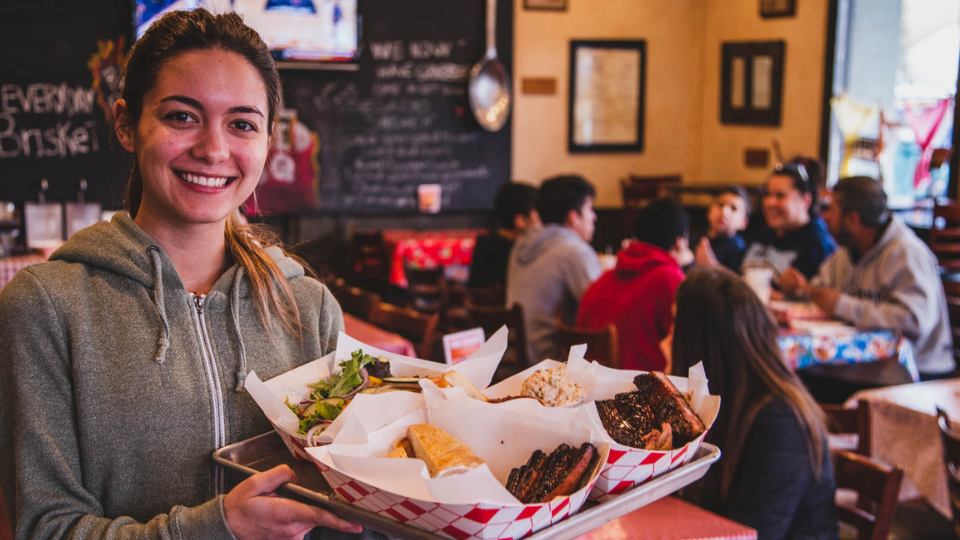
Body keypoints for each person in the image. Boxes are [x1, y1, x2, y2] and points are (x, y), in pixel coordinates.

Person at [0, 10, 366, 540]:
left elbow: (347, 504)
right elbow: (44, 527)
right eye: (181, 116)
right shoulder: (45, 308)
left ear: (267, 142)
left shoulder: (307, 308)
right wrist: (217, 527)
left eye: (242, 124)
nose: (214, 150)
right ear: (127, 124)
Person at [666, 269, 838, 540]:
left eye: (675, 326)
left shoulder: (780, 423)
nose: (666, 340)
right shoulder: (719, 403)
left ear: (703, 344)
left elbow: (748, 533)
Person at [780, 176, 955, 378]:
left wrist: (841, 305)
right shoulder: (846, 252)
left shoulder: (906, 253)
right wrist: (800, 289)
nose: (824, 216)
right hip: (859, 365)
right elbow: (823, 291)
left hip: (914, 372)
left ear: (852, 219)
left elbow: (914, 320)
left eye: (830, 209)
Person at [577, 199, 689, 372]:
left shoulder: (604, 278)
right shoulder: (670, 278)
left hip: (589, 382)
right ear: (679, 242)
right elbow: (686, 345)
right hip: (641, 388)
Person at [506, 174, 601, 363]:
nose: (594, 217)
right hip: (552, 365)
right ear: (573, 218)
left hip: (513, 360)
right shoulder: (576, 252)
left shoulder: (521, 244)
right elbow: (600, 315)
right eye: (589, 209)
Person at [742, 161, 836, 280]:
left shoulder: (819, 246)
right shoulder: (764, 234)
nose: (770, 203)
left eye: (780, 196)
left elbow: (819, 294)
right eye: (767, 195)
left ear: (805, 201)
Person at [467, 182, 540, 291]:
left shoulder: (483, 245)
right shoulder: (520, 255)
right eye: (538, 216)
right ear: (521, 221)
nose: (541, 224)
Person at [695, 186, 750, 272]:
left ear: (744, 223)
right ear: (709, 211)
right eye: (720, 205)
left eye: (733, 208)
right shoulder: (695, 237)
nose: (724, 212)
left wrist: (713, 267)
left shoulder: (740, 250)